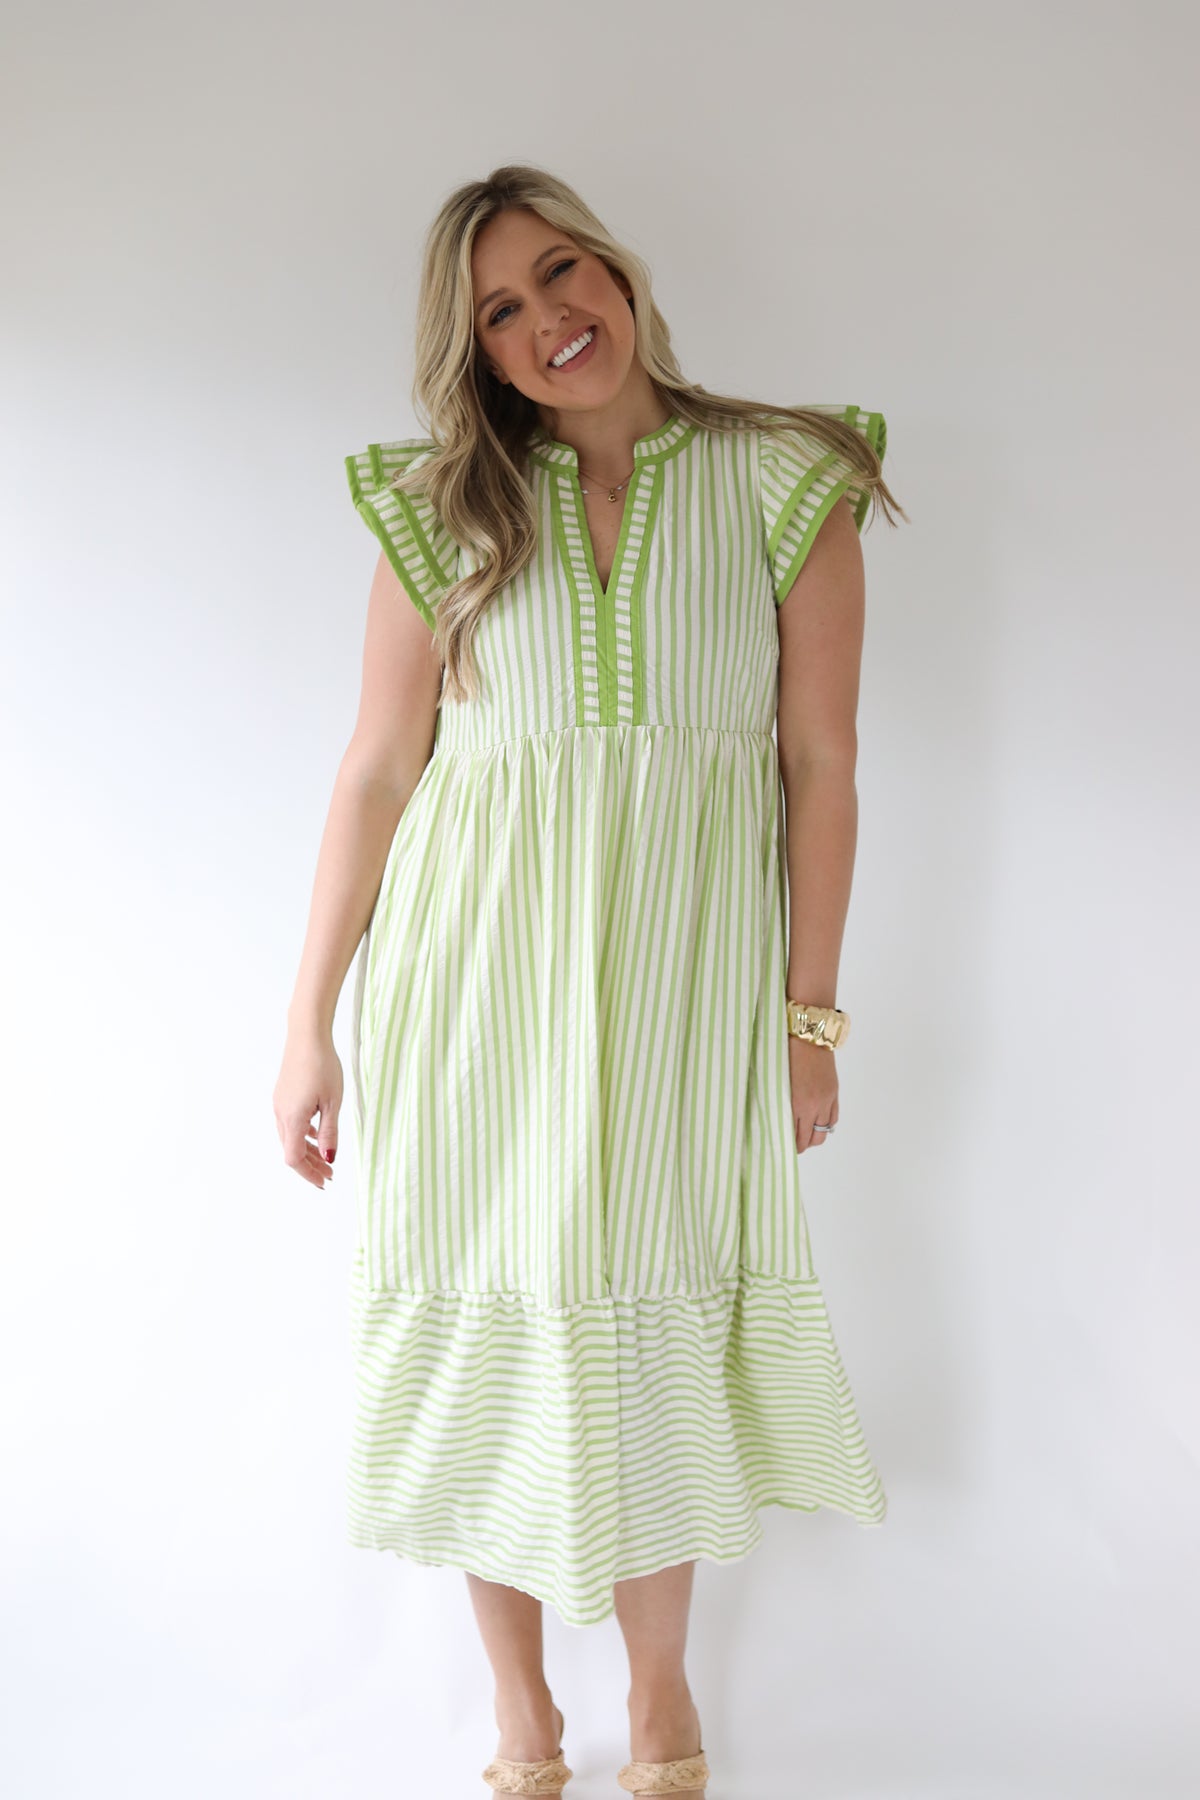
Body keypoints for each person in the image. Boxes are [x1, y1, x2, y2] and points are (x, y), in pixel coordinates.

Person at [273, 163, 907, 1799]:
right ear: (477, 349)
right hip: (469, 988)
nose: (550, 318)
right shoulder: (445, 510)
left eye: (562, 272)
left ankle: (661, 1693)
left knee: (652, 1337)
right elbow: (375, 772)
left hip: (684, 993)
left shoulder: (785, 479)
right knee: (494, 1330)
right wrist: (308, 1026)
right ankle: (521, 1716)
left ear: (616, 272)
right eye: (502, 308)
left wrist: (808, 1015)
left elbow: (822, 764)